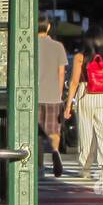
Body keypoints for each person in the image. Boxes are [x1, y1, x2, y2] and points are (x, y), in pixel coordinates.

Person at [64, 27, 103, 182]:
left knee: (86, 132)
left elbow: (74, 82)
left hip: (86, 94)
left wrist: (68, 104)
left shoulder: (80, 57)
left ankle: (86, 168)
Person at [37, 16, 66, 177]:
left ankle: (40, 167)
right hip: (53, 94)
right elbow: (61, 71)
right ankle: (55, 151)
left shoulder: (30, 45)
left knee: (37, 134)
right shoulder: (58, 46)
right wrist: (59, 92)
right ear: (48, 27)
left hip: (35, 95)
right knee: (54, 130)